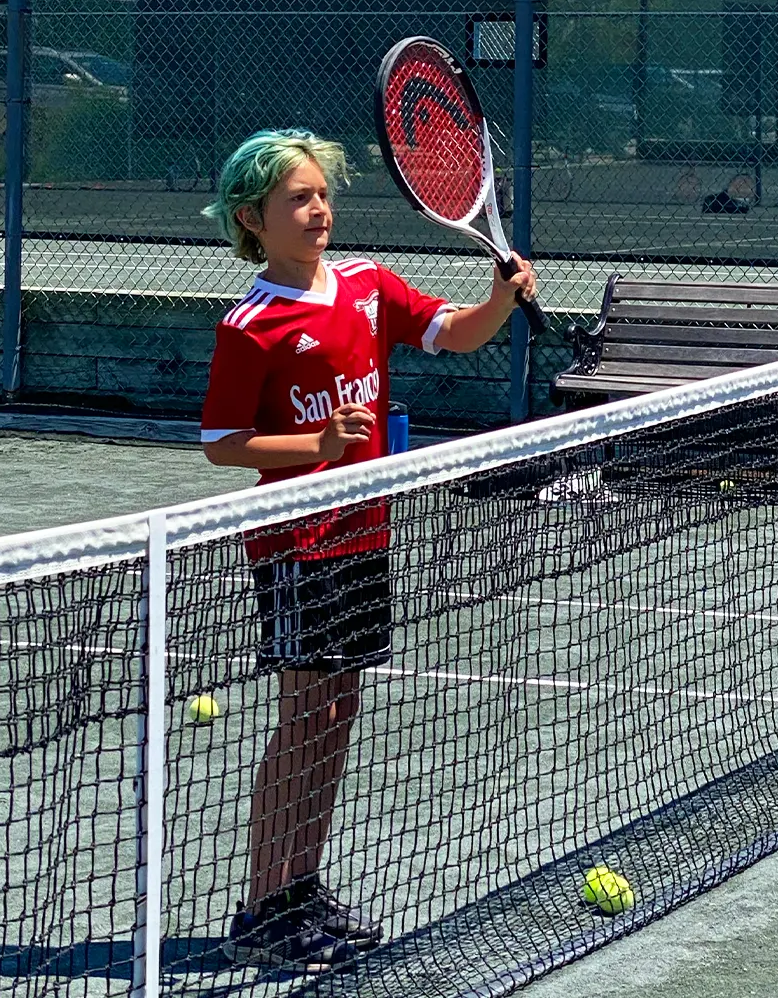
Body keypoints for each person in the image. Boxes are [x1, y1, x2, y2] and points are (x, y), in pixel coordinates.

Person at [199, 128, 536, 973]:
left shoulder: (367, 286)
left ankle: (302, 890)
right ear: (253, 219)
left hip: (364, 538)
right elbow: (223, 443)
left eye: (322, 194)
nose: (319, 211)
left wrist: (499, 298)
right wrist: (314, 445)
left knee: (339, 715)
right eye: (299, 200)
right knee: (302, 719)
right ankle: (262, 907)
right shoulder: (251, 327)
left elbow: (454, 332)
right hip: (297, 546)